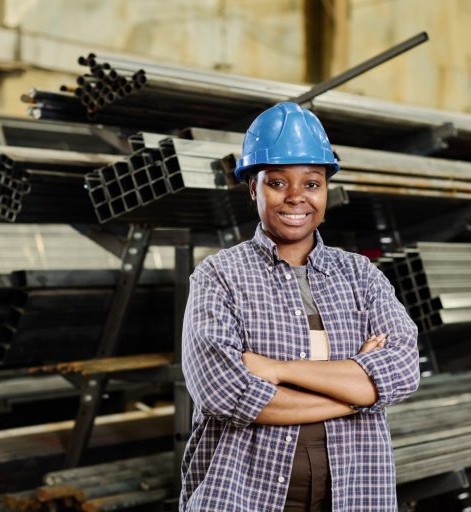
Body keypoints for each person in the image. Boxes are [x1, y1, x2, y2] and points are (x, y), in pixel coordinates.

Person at [180, 102, 420, 511]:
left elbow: (401, 372)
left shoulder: (360, 275)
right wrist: (355, 395)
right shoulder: (219, 277)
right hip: (245, 495)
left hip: (354, 490)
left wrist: (279, 370)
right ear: (253, 188)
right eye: (277, 183)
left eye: (311, 183)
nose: (296, 198)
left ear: (325, 190)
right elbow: (224, 392)